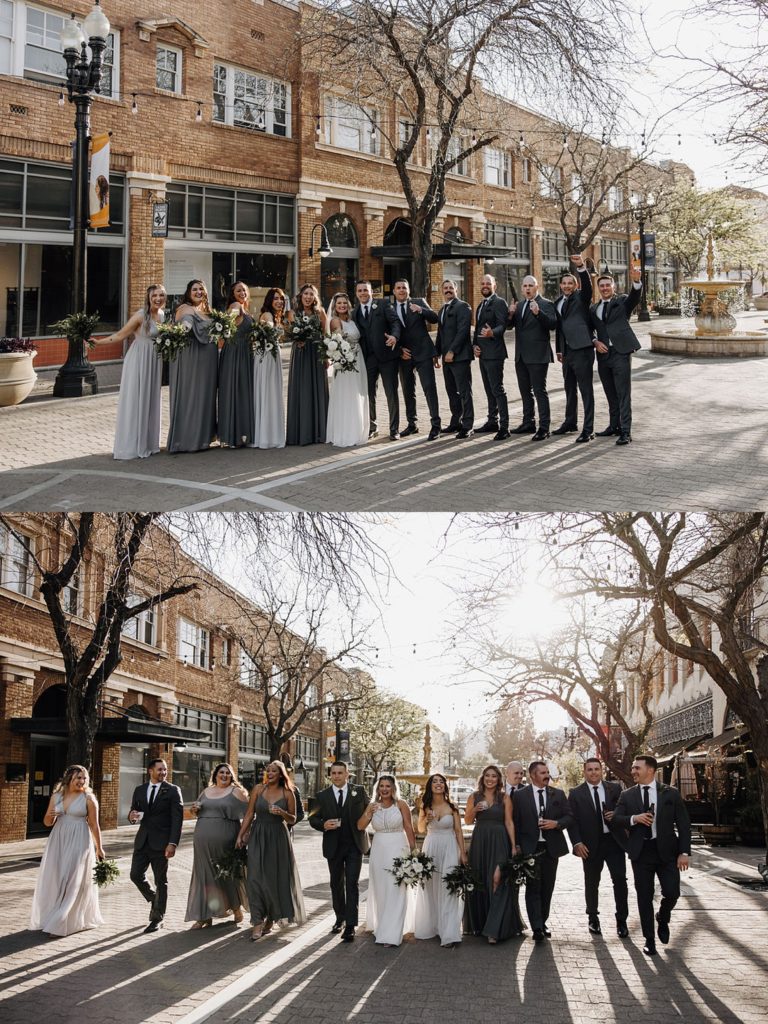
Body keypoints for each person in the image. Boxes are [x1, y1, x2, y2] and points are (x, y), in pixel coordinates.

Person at [612, 754, 691, 956]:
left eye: (637, 767)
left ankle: (663, 917)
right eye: (633, 768)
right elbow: (616, 820)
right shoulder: (627, 795)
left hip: (667, 852)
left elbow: (683, 824)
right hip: (641, 852)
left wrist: (684, 852)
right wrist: (634, 818)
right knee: (644, 896)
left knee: (672, 892)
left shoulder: (670, 793)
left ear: (650, 770)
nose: (633, 771)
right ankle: (649, 940)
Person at [30, 764, 105, 937]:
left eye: (84, 777)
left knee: (73, 879)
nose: (82, 781)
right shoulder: (57, 796)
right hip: (59, 839)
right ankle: (55, 915)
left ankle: (61, 922)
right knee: (58, 877)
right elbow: (47, 823)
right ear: (69, 778)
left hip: (80, 839)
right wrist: (51, 815)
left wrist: (99, 847)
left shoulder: (89, 798)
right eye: (78, 777)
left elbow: (94, 824)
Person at [236, 759, 306, 940]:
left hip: (278, 838)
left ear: (281, 773)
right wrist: (241, 835)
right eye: (269, 770)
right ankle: (257, 921)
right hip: (258, 835)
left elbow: (293, 818)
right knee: (255, 878)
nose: (271, 773)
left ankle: (272, 918)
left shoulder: (288, 793)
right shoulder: (259, 789)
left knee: (273, 879)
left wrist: (282, 813)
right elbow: (250, 813)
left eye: (274, 770)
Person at [566, 757, 629, 937]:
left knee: (620, 880)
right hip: (589, 845)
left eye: (596, 769)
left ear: (602, 771)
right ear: (584, 772)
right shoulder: (576, 793)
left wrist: (616, 815)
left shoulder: (614, 789)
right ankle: (593, 918)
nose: (593, 772)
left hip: (613, 842)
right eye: (590, 769)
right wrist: (577, 843)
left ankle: (621, 920)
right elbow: (573, 822)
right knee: (592, 882)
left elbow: (625, 811)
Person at [309, 761, 370, 941]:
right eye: (333, 773)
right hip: (333, 846)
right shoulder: (322, 795)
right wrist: (323, 825)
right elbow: (313, 819)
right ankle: (340, 918)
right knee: (336, 884)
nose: (336, 776)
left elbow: (368, 811)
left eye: (340, 773)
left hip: (354, 845)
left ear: (347, 774)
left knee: (352, 884)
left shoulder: (358, 791)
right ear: (330, 775)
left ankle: (350, 925)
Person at [513, 760, 573, 942]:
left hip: (551, 848)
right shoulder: (520, 796)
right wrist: (516, 845)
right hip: (530, 848)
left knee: (547, 887)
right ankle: (537, 927)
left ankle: (543, 921)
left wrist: (557, 824)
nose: (547, 775)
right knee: (533, 888)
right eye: (542, 773)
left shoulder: (558, 794)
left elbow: (570, 816)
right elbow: (514, 822)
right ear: (532, 775)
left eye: (547, 772)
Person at [185, 762, 249, 929]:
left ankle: (236, 908)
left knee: (226, 875)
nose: (224, 775)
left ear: (232, 776)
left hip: (227, 839)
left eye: (228, 773)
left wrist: (243, 835)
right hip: (201, 840)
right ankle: (204, 916)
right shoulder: (206, 792)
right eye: (221, 772)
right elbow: (195, 812)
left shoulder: (237, 792)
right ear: (215, 775)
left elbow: (249, 814)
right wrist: (194, 810)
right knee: (204, 876)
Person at [464, 764, 523, 943]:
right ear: (483, 778)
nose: (490, 779)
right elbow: (466, 820)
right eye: (487, 776)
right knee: (481, 880)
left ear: (499, 779)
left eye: (494, 776)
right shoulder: (474, 797)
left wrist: (513, 846)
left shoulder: (504, 798)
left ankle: (495, 929)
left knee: (497, 879)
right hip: (480, 840)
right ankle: (483, 924)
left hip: (499, 841)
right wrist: (475, 810)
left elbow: (509, 822)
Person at [107, 284, 165, 460]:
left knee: (150, 399)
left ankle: (148, 442)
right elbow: (119, 335)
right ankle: (131, 444)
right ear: (148, 297)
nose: (158, 298)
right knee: (136, 399)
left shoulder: (162, 315)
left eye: (161, 295)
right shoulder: (140, 316)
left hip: (155, 361)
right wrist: (98, 343)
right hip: (139, 360)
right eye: (154, 295)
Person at [357, 774, 416, 946]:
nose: (384, 789)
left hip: (398, 848)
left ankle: (392, 933)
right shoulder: (373, 806)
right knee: (382, 889)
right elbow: (360, 826)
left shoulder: (401, 805)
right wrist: (369, 812)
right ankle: (383, 925)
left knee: (396, 888)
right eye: (381, 786)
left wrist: (413, 852)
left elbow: (408, 827)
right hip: (379, 850)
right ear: (377, 789)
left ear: (393, 788)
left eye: (388, 786)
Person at [128, 757, 183, 933]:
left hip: (162, 843)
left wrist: (172, 843)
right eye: (160, 769)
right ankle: (154, 899)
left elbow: (177, 819)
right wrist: (131, 816)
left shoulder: (173, 791)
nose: (163, 772)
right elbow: (134, 811)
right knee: (135, 874)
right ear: (150, 771)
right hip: (143, 841)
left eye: (165, 770)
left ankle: (157, 918)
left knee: (161, 881)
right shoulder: (139, 790)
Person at [589, 268, 643, 445]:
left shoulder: (621, 302)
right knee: (610, 393)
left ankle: (626, 432)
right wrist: (595, 342)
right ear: (598, 288)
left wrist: (636, 282)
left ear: (613, 286)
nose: (604, 288)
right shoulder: (594, 308)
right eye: (602, 286)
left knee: (623, 394)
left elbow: (634, 298)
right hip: (603, 355)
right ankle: (614, 426)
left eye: (607, 285)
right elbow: (590, 329)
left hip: (620, 353)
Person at [414, 772, 466, 947]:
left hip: (450, 847)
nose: (438, 784)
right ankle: (434, 926)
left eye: (441, 781)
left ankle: (449, 932)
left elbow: (458, 831)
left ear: (445, 786)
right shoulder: (425, 806)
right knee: (431, 887)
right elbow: (420, 829)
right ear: (430, 786)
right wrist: (426, 819)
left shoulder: (453, 806)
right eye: (435, 781)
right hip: (431, 847)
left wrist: (463, 853)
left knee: (448, 887)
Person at [167, 279, 218, 453]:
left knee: (205, 396)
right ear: (189, 292)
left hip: (209, 360)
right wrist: (184, 328)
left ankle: (203, 438)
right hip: (191, 357)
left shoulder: (206, 310)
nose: (198, 292)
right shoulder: (185, 309)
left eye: (201, 289)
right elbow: (184, 326)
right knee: (190, 395)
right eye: (195, 289)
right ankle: (187, 440)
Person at [507, 275, 557, 440]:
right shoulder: (520, 305)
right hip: (521, 356)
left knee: (539, 391)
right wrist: (510, 314)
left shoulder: (546, 304)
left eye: (531, 285)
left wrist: (538, 313)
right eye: (525, 286)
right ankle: (528, 422)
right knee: (525, 392)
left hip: (538, 355)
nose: (527, 288)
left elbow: (552, 324)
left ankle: (544, 427)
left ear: (537, 287)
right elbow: (509, 327)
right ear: (522, 288)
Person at [392, 278, 441, 440]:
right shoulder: (389, 308)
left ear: (408, 290)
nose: (401, 290)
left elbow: (435, 318)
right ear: (394, 291)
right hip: (404, 355)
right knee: (408, 391)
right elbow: (388, 332)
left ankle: (436, 425)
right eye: (398, 288)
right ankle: (412, 424)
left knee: (429, 388)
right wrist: (399, 351)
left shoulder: (418, 302)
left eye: (404, 288)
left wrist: (421, 310)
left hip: (424, 353)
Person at [553, 255, 596, 443]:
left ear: (575, 285)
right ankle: (570, 422)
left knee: (586, 390)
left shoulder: (582, 297)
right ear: (561, 285)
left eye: (571, 283)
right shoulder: (558, 302)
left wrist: (580, 267)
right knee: (569, 388)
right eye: (564, 283)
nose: (567, 286)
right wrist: (559, 349)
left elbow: (588, 285)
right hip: (567, 352)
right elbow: (559, 328)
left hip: (583, 350)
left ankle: (589, 429)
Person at [353, 280, 402, 440]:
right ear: (356, 293)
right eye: (360, 291)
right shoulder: (355, 312)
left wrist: (394, 336)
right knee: (369, 394)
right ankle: (372, 427)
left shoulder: (383, 304)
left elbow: (395, 322)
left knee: (391, 393)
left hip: (387, 357)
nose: (363, 293)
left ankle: (394, 429)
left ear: (371, 292)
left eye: (365, 290)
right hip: (368, 359)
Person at [285, 283, 329, 445]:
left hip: (316, 355)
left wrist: (326, 357)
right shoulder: (293, 313)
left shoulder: (321, 313)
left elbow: (326, 335)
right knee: (301, 390)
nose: (308, 297)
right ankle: (301, 433)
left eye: (312, 294)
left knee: (317, 390)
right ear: (301, 296)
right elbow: (290, 333)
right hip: (301, 354)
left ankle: (319, 432)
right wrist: (298, 339)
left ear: (315, 297)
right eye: (306, 294)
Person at [326, 291, 369, 447]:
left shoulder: (351, 320)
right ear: (335, 307)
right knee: (347, 394)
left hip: (358, 359)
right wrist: (345, 357)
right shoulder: (335, 321)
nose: (342, 305)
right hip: (345, 363)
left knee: (358, 393)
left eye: (345, 303)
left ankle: (357, 429)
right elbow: (338, 341)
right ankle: (346, 432)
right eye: (339, 303)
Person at [473, 273, 512, 440]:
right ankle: (492, 421)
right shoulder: (481, 304)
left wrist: (492, 333)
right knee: (489, 390)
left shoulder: (499, 302)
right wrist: (474, 345)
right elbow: (477, 328)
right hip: (483, 354)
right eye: (482, 283)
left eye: (488, 283)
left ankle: (504, 426)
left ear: (494, 285)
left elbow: (503, 326)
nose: (485, 285)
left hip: (495, 353)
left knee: (497, 390)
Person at [218, 281, 255, 448]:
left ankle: (239, 433)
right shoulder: (235, 306)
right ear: (233, 294)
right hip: (235, 353)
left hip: (245, 353)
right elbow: (226, 325)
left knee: (242, 393)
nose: (242, 293)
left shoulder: (245, 309)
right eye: (239, 290)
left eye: (245, 290)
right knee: (235, 391)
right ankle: (233, 436)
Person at [436, 279, 474, 439]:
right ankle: (455, 421)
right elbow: (440, 334)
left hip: (460, 357)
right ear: (442, 291)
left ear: (456, 290)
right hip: (446, 358)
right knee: (451, 391)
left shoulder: (463, 306)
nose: (448, 290)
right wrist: (437, 354)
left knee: (465, 391)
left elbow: (463, 331)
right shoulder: (442, 310)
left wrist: (452, 351)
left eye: (451, 287)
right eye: (445, 288)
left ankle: (467, 425)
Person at [251, 287, 287, 449]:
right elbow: (264, 331)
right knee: (268, 392)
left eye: (281, 299)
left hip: (273, 355)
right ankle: (266, 435)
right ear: (269, 301)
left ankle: (271, 433)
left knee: (272, 393)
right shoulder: (267, 315)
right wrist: (269, 326)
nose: (279, 301)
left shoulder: (277, 316)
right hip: (266, 357)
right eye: (276, 299)